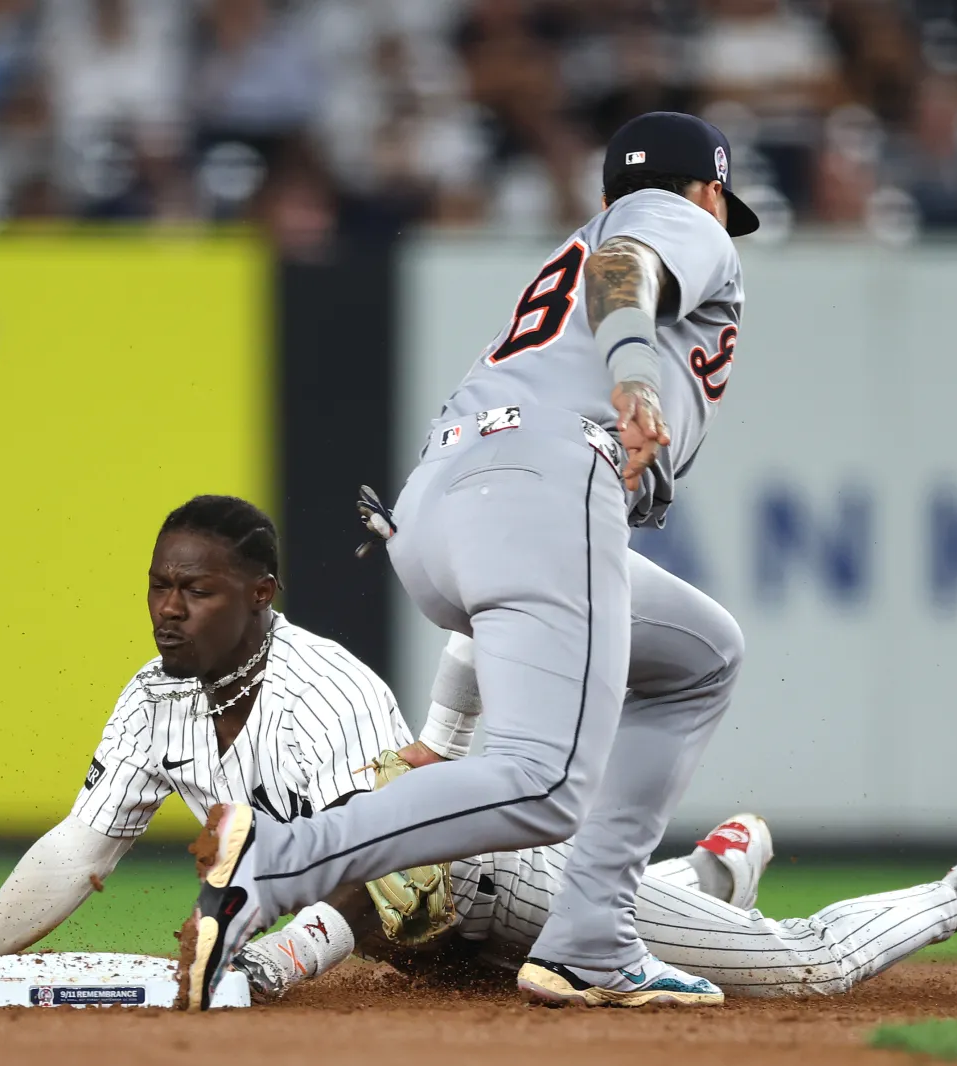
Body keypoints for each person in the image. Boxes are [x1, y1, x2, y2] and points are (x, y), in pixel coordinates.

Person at [0, 495, 957, 1002]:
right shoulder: (151, 702)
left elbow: (381, 880)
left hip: (507, 884)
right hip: (429, 944)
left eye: (199, 587)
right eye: (160, 584)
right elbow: (80, 845)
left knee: (799, 980)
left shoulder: (320, 689)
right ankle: (708, 872)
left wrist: (262, 960)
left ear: (264, 594)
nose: (171, 604)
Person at [178, 109, 766, 1011]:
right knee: (546, 783)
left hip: (448, 506)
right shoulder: (672, 223)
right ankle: (274, 863)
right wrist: (636, 376)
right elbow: (624, 271)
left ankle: (588, 940)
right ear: (712, 192)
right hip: (539, 483)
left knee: (701, 656)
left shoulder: (580, 245)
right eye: (721, 205)